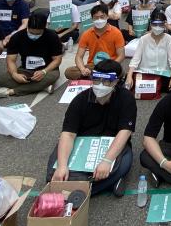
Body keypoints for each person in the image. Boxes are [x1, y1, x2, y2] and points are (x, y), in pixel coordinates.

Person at [48, 60, 135, 196]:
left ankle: (78, 189)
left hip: (112, 144)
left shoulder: (126, 98)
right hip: (82, 143)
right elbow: (68, 134)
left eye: (106, 81)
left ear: (116, 81)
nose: (100, 85)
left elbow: (125, 132)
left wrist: (107, 161)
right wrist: (62, 166)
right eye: (96, 80)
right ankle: (103, 184)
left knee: (124, 163)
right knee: (55, 172)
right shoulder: (80, 100)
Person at [0, 12, 62, 99]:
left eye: (38, 34)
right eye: (31, 32)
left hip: (47, 70)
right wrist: (15, 74)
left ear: (45, 27)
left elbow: (57, 59)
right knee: (2, 80)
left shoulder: (52, 36)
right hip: (25, 70)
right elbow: (11, 60)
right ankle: (41, 87)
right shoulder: (17, 37)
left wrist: (44, 71)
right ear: (27, 26)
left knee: (53, 76)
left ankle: (11, 92)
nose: (34, 35)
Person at [65, 4, 125, 80]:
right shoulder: (86, 34)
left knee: (121, 72)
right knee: (69, 72)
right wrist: (83, 69)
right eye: (96, 17)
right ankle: (101, 78)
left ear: (107, 17)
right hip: (92, 66)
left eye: (102, 17)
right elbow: (79, 56)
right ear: (92, 19)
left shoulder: (116, 32)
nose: (99, 20)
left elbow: (121, 55)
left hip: (110, 65)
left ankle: (94, 78)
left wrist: (111, 66)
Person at [126, 13, 171, 91]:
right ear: (150, 24)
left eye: (160, 24)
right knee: (129, 81)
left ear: (165, 24)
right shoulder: (143, 39)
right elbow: (135, 59)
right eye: (155, 24)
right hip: (145, 73)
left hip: (162, 73)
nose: (157, 27)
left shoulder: (169, 39)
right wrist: (129, 76)